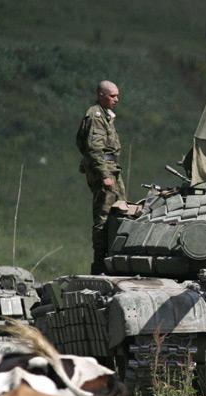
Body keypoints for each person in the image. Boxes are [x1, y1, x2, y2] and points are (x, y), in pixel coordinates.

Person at [76, 80, 126, 275]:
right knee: (104, 217)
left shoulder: (106, 116)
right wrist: (104, 174)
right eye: (112, 96)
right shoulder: (96, 116)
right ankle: (100, 264)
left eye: (117, 95)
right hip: (105, 170)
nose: (116, 99)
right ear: (101, 95)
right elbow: (94, 148)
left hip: (112, 168)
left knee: (120, 211)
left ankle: (114, 258)